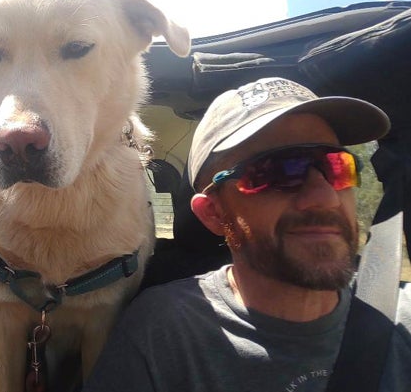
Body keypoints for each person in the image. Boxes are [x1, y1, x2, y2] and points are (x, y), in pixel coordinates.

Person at [83, 77, 411, 391]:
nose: (324, 197)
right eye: (281, 169)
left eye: (338, 167)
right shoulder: (163, 333)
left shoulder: (400, 314)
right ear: (213, 213)